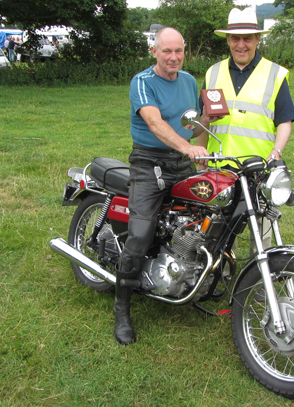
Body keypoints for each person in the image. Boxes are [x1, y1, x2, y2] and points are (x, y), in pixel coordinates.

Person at [114, 27, 210, 345]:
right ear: (154, 51)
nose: (173, 57)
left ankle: (190, 280)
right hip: (148, 163)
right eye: (166, 51)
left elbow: (195, 125)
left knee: (203, 220)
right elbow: (155, 123)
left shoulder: (189, 81)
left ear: (185, 51)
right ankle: (122, 309)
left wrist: (208, 126)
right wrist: (187, 148)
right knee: (140, 234)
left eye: (178, 51)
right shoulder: (142, 82)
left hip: (181, 163)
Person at [198, 7, 294, 254]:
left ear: (257, 39)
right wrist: (200, 153)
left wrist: (275, 153)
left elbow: (285, 120)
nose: (241, 44)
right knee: (216, 230)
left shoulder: (274, 74)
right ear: (227, 40)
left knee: (260, 231)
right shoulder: (213, 72)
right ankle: (219, 274)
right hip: (219, 167)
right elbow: (204, 120)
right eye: (235, 38)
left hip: (258, 168)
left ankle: (258, 284)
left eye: (247, 38)